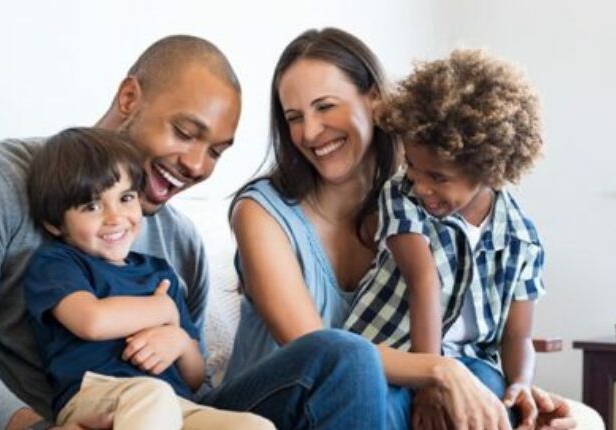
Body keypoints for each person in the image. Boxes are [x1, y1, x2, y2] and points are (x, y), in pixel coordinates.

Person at [0, 34, 385, 430]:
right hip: (59, 411)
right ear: (130, 98)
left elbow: (192, 382)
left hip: (171, 412)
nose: (197, 165)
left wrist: (181, 347)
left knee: (344, 356)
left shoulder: (182, 244)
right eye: (185, 132)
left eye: (216, 151)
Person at [226, 27, 577, 430]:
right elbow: (320, 353)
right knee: (350, 357)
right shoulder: (261, 213)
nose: (309, 132)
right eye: (294, 118)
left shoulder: (427, 200)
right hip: (274, 404)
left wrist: (511, 391)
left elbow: (496, 330)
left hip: (362, 401)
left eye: (325, 106)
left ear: (375, 99)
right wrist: (440, 370)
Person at [343, 48, 546, 426]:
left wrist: (521, 382)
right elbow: (424, 281)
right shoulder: (401, 195)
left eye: (437, 177)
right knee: (384, 407)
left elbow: (518, 337)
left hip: (471, 361)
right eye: (412, 166)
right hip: (395, 351)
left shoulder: (522, 239)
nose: (421, 186)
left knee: (492, 405)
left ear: (488, 170)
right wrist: (431, 382)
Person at [22, 127, 272, 430]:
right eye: (92, 206)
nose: (115, 217)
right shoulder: (58, 263)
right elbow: (92, 321)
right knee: (153, 396)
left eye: (126, 198)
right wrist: (163, 310)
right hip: (99, 395)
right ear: (54, 223)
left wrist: (179, 342)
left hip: (175, 404)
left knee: (254, 426)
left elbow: (194, 378)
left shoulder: (160, 273)